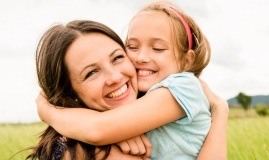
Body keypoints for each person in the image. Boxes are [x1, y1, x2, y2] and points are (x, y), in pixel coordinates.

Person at [36, 1, 229, 160]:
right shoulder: (77, 146)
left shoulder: (182, 86)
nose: (141, 58)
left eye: (118, 58)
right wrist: (120, 133)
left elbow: (99, 129)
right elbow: (100, 129)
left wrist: (47, 111)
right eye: (133, 47)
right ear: (69, 90)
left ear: (186, 60)